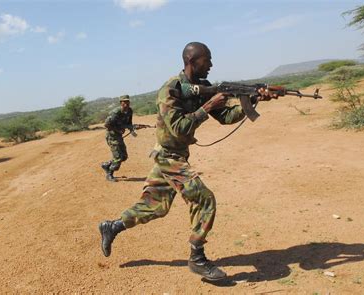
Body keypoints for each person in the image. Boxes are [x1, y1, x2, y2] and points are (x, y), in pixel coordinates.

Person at [99, 42, 276, 281]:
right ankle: (198, 258)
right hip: (167, 156)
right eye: (207, 60)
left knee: (154, 206)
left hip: (176, 156)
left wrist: (251, 101)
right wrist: (208, 106)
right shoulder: (170, 89)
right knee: (204, 198)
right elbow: (179, 128)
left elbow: (226, 117)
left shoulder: (203, 87)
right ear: (192, 61)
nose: (211, 64)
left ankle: (112, 226)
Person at [101, 95, 135, 182]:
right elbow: (107, 125)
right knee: (118, 157)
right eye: (124, 102)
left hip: (118, 136)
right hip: (112, 136)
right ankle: (109, 174)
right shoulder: (115, 112)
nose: (126, 103)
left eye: (128, 101)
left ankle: (106, 165)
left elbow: (129, 123)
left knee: (124, 156)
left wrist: (132, 129)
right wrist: (118, 130)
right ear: (121, 103)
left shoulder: (129, 111)